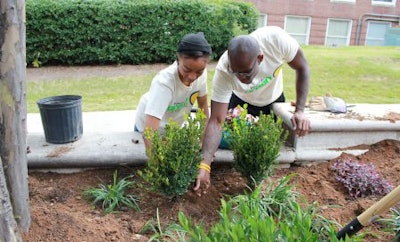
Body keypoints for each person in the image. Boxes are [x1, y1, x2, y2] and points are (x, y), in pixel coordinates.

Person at [194, 26, 311, 191]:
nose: (241, 78)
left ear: (260, 58)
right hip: (241, 102)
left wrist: (299, 110)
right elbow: (216, 120)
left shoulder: (276, 41)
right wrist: (205, 165)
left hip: (273, 99)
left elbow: (302, 67)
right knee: (235, 146)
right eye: (237, 73)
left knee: (270, 147)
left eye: (246, 73)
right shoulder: (224, 70)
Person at [134, 32, 212, 151]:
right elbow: (148, 134)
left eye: (199, 71)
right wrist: (156, 166)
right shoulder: (164, 83)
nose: (192, 76)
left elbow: (203, 109)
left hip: (171, 130)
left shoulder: (201, 76)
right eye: (186, 69)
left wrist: (203, 144)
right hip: (145, 130)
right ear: (178, 59)